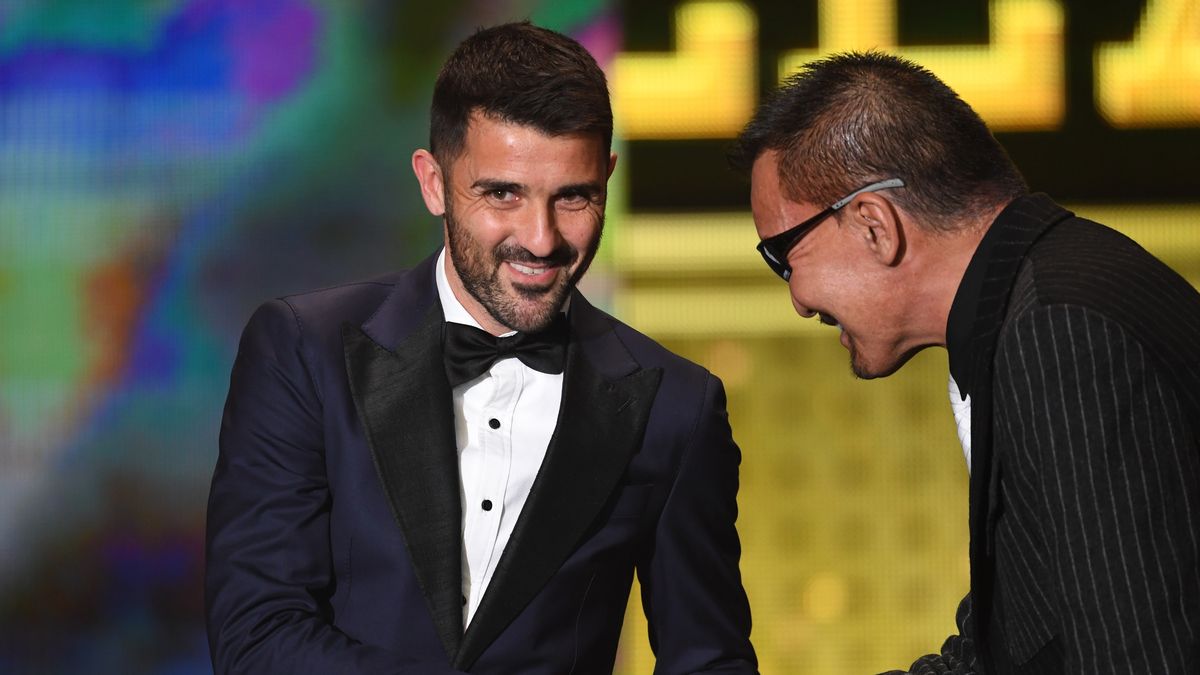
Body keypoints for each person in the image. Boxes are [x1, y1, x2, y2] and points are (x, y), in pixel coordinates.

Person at [205, 22, 757, 674]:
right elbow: (257, 634)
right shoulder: (304, 350)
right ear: (433, 182)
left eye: (574, 197)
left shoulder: (675, 404)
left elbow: (708, 659)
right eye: (503, 194)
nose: (541, 238)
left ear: (608, 177)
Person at [731, 51, 1200, 673]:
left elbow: (1138, 659)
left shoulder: (1060, 330)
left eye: (784, 257)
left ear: (875, 224)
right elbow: (1013, 645)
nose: (797, 301)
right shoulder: (1035, 307)